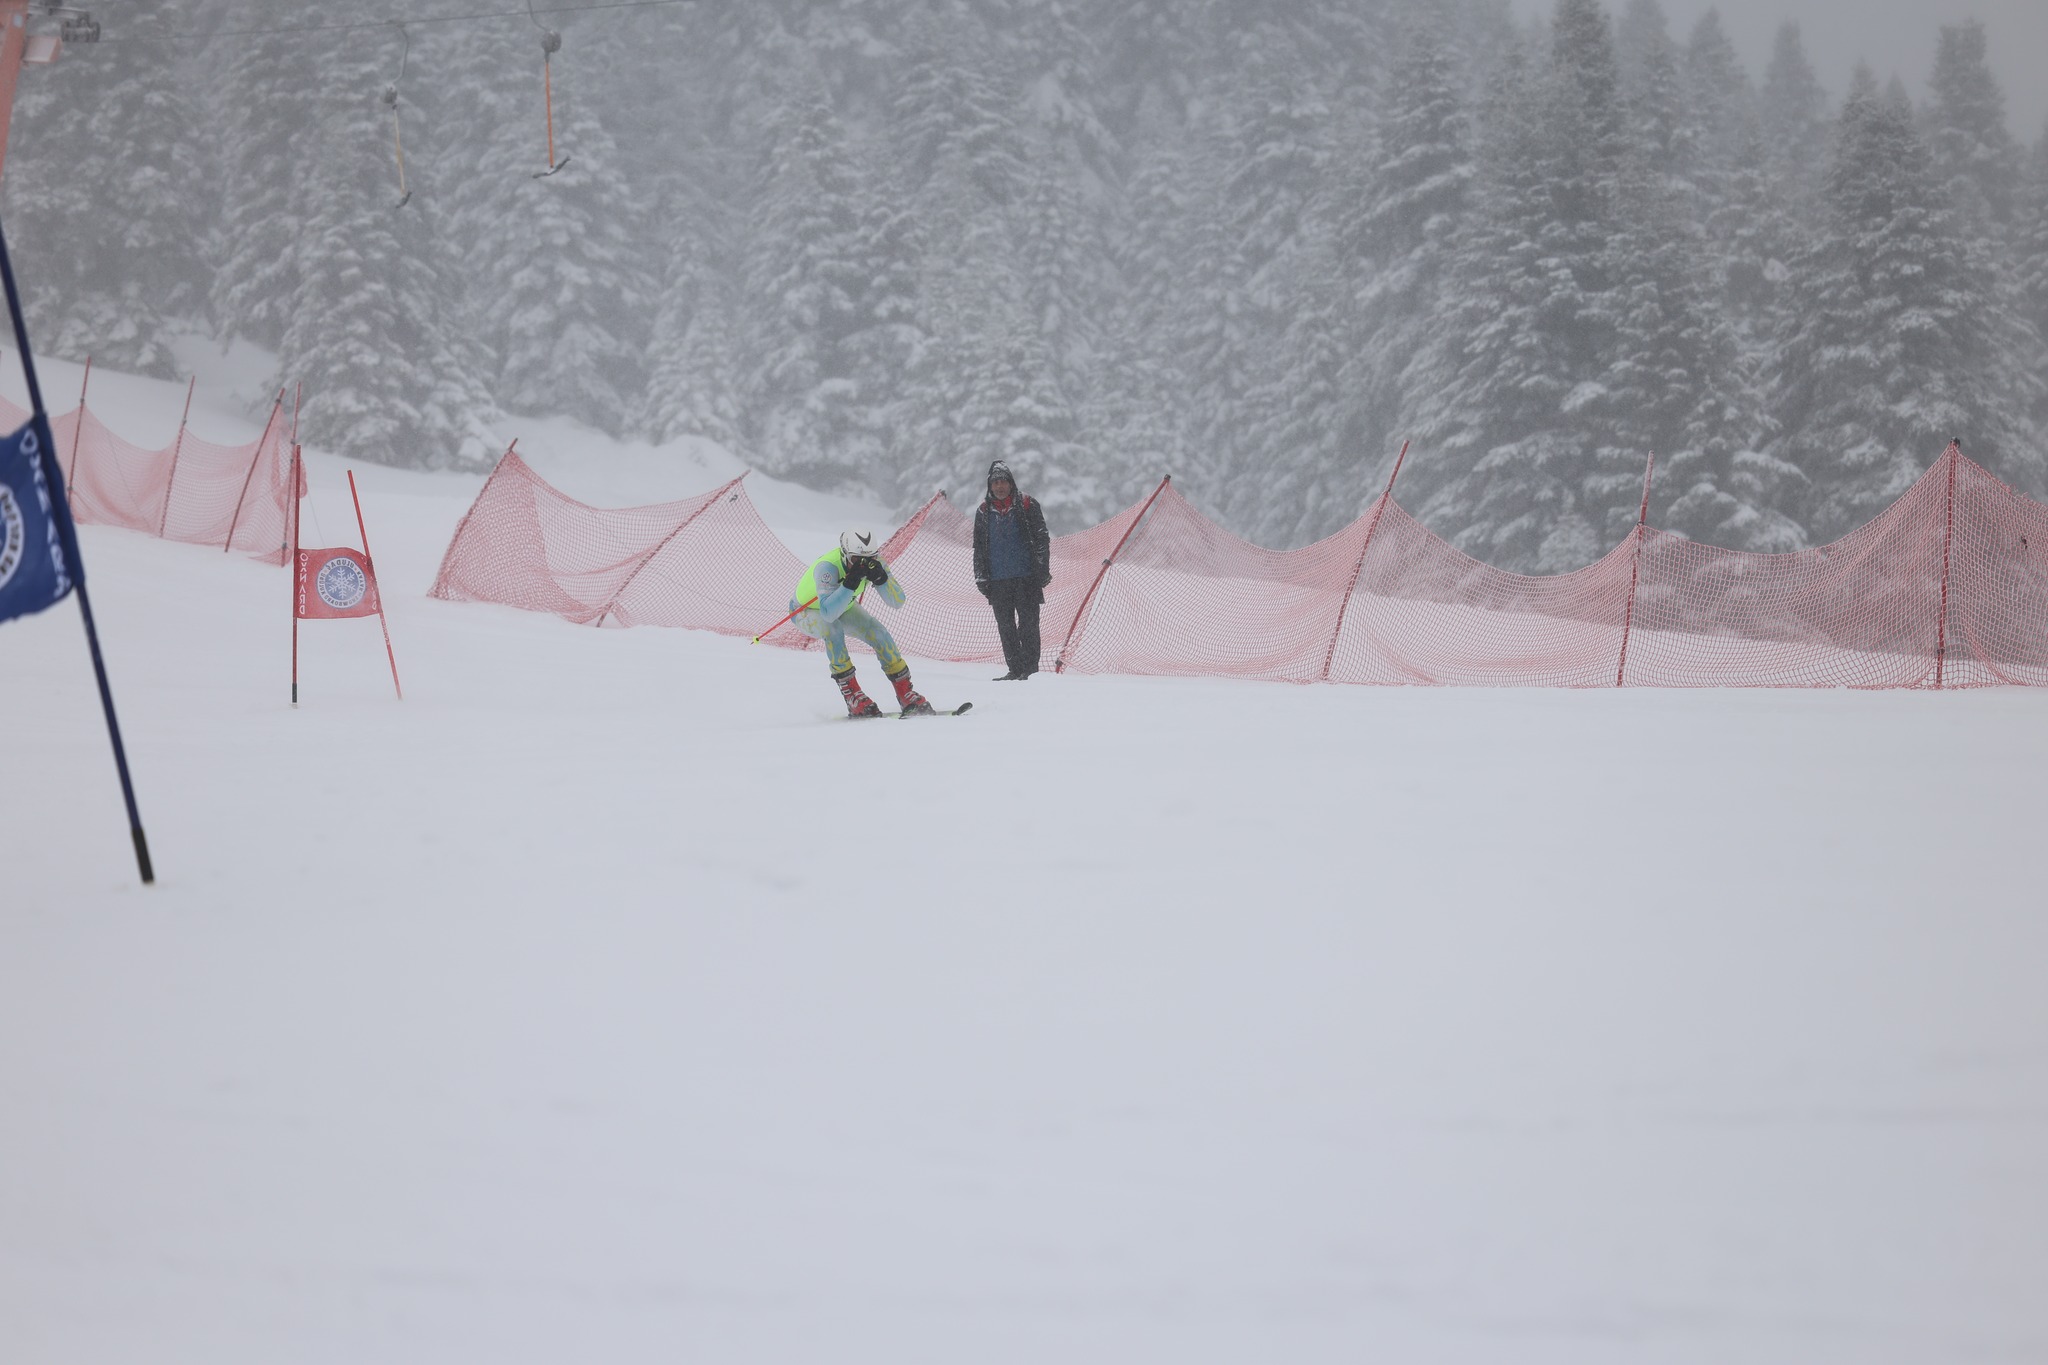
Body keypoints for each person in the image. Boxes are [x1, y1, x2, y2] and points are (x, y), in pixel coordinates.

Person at [791, 529, 934, 717]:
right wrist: (849, 583)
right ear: (844, 554)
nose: (863, 564)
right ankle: (852, 696)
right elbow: (828, 614)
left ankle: (905, 693)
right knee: (833, 630)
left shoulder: (875, 562)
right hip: (806, 611)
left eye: (870, 558)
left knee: (878, 633)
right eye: (856, 559)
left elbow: (897, 602)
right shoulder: (828, 568)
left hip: (843, 604)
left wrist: (881, 578)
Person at [971, 460, 1052, 680]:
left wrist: (1042, 568)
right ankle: (1015, 670)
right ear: (990, 485)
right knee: (1006, 628)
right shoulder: (983, 511)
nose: (1000, 486)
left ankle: (1030, 671)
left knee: (1029, 627)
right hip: (998, 581)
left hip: (1027, 578)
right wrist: (980, 577)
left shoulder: (1027, 504)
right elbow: (979, 547)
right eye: (995, 482)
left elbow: (1042, 538)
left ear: (1011, 483)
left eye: (1003, 481)